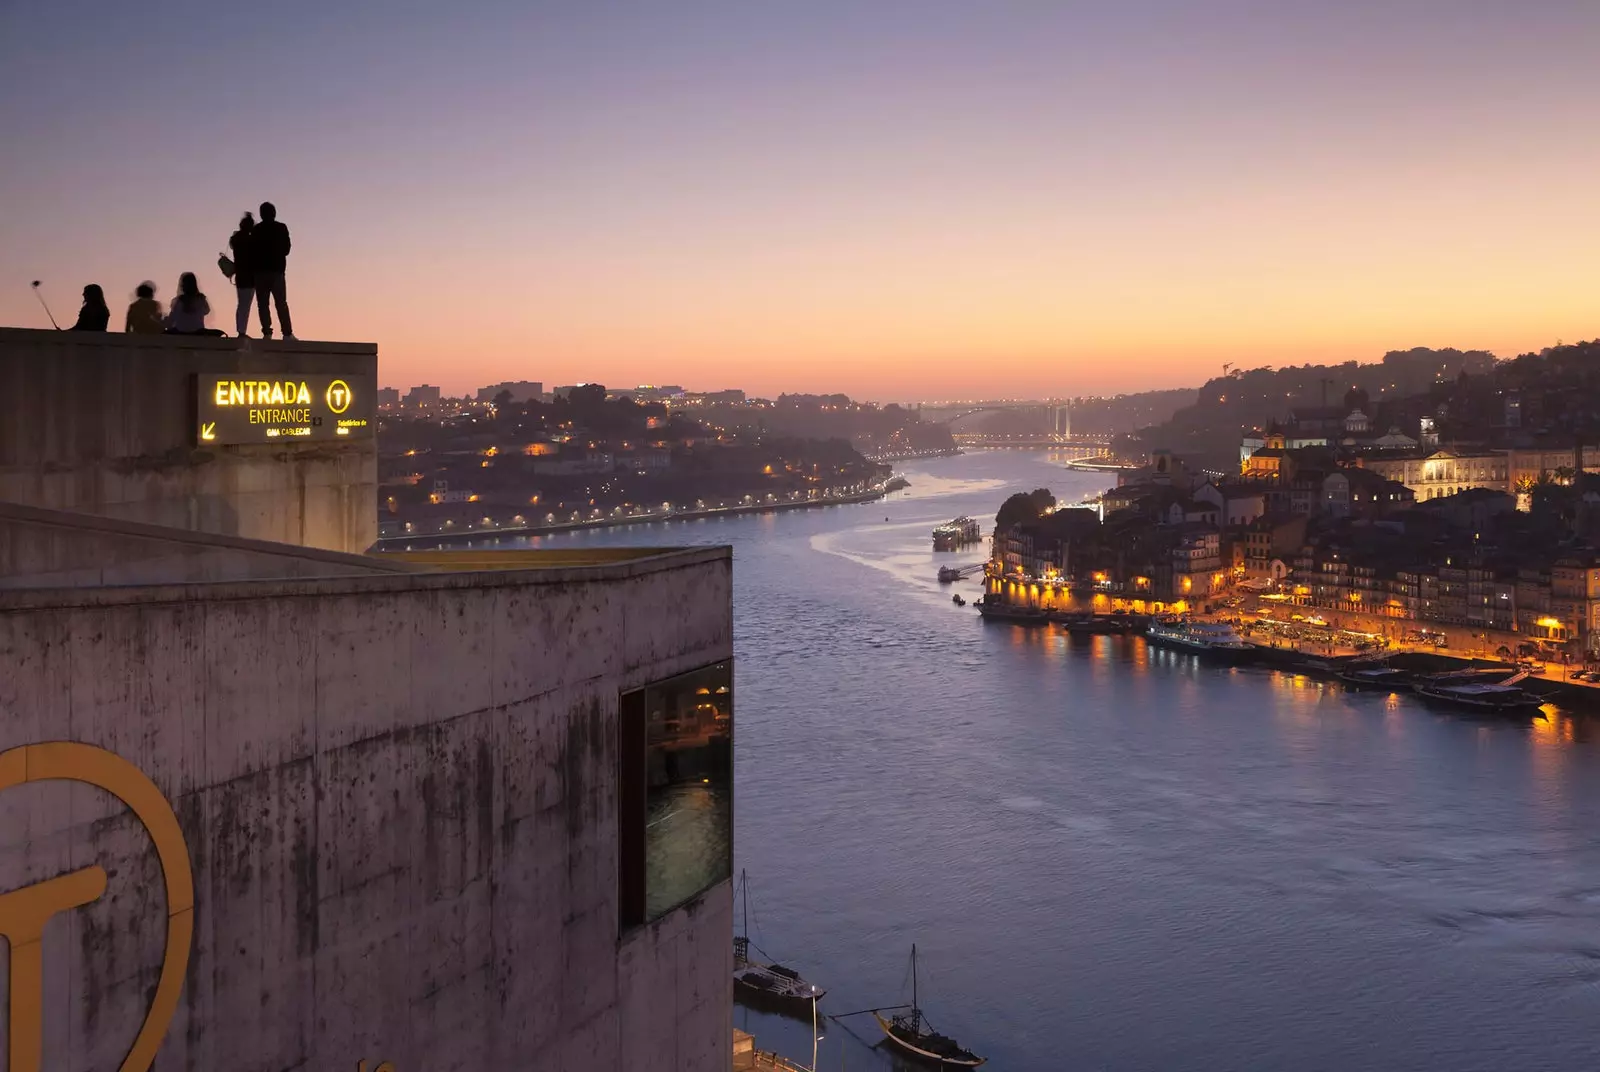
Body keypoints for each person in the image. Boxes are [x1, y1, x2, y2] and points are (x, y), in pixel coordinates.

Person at [251, 200, 294, 340]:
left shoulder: (256, 230)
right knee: (281, 303)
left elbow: (252, 251)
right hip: (277, 271)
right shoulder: (281, 228)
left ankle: (267, 333)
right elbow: (287, 249)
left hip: (260, 272)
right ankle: (287, 333)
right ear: (274, 213)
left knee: (263, 304)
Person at [227, 212, 257, 336]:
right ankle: (241, 331)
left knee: (242, 304)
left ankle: (241, 330)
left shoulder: (236, 239)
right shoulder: (251, 240)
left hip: (240, 274)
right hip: (250, 275)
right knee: (246, 304)